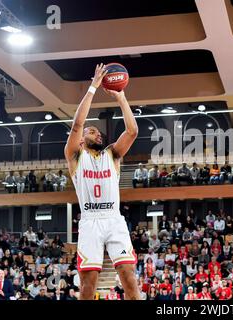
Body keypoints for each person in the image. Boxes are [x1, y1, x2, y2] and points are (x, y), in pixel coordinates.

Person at [64, 64, 140, 300]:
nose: (97, 134)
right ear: (82, 139)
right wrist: (93, 87)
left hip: (114, 220)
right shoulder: (75, 155)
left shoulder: (112, 154)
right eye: (92, 132)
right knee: (88, 286)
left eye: (98, 132)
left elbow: (132, 131)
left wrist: (122, 97)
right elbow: (77, 125)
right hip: (90, 223)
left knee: (129, 278)